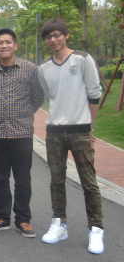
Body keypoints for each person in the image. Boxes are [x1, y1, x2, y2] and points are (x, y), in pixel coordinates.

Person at [37, 19, 104, 254]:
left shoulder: (82, 59)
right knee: (56, 181)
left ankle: (96, 229)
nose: (53, 40)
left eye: (57, 35)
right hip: (54, 131)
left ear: (66, 35)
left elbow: (94, 93)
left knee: (89, 182)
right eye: (48, 37)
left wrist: (89, 125)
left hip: (80, 131)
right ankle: (59, 224)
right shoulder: (43, 68)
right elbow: (50, 96)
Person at [0, 28, 44, 238]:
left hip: (22, 133)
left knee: (23, 179)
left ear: (15, 45)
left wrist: (23, 114)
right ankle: (1, 217)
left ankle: (23, 219)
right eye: (0, 42)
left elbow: (38, 97)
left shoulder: (30, 70)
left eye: (8, 42)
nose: (4, 45)